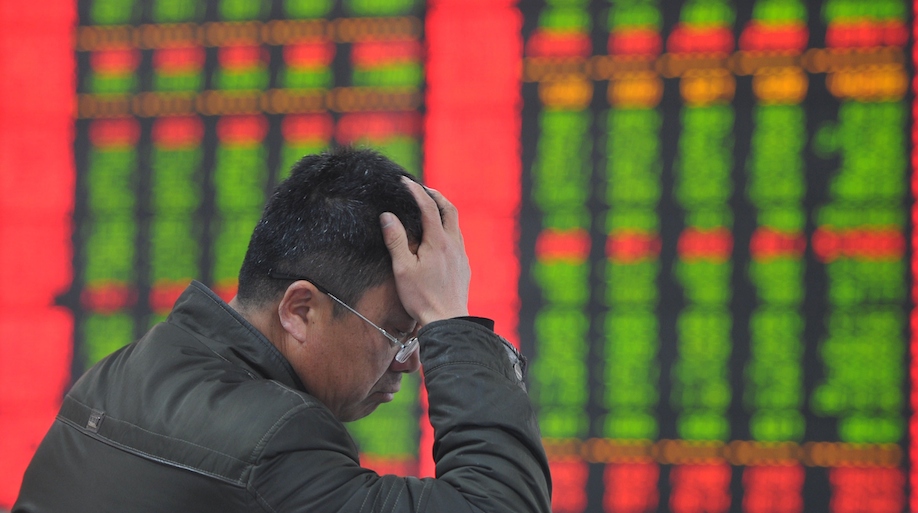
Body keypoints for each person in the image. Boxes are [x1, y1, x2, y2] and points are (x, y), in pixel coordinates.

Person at [14, 148, 551, 512]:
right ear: (300, 310)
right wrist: (450, 322)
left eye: (417, 336)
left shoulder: (120, 372)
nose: (410, 361)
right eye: (396, 331)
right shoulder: (277, 439)